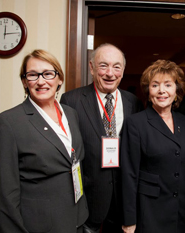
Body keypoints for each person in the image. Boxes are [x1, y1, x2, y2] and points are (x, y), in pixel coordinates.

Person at [0, 49, 88, 233]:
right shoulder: (8, 122)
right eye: (33, 75)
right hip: (40, 225)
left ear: (59, 79)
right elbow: (4, 194)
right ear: (25, 82)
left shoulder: (71, 114)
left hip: (76, 220)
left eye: (48, 74)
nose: (41, 81)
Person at [60, 43, 142, 233]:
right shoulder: (71, 101)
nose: (110, 73)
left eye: (116, 66)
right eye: (103, 65)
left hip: (124, 198)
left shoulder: (134, 102)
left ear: (123, 70)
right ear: (91, 67)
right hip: (89, 196)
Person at [121, 60, 185, 233]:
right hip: (150, 212)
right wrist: (129, 220)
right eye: (155, 85)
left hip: (181, 213)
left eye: (168, 85)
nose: (162, 91)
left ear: (176, 90)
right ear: (148, 90)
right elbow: (129, 174)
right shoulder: (135, 123)